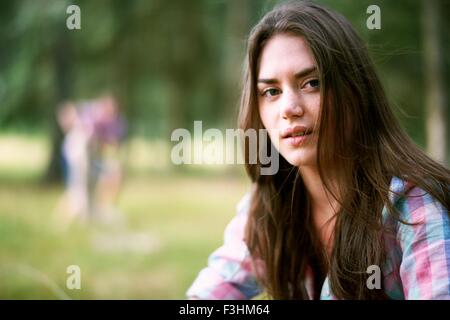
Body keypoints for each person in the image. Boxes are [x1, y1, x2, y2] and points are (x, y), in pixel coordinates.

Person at [186, 1, 450, 300]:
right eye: (271, 92)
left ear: (355, 90)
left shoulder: (412, 206)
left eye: (312, 83)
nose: (289, 108)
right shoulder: (268, 206)